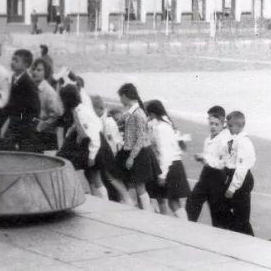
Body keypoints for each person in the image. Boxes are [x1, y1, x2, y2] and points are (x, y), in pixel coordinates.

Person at [57, 84, 115, 200]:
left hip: (95, 146)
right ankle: (97, 200)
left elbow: (93, 136)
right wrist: (70, 131)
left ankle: (105, 203)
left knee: (96, 176)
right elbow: (78, 125)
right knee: (93, 175)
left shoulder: (81, 112)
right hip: (93, 144)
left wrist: (92, 156)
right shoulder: (81, 108)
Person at [114, 83, 161, 211]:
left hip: (138, 153)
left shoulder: (138, 113)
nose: (120, 100)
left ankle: (145, 210)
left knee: (139, 186)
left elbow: (141, 138)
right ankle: (139, 205)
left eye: (120, 97)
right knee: (134, 183)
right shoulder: (133, 111)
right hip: (132, 150)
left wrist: (131, 157)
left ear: (124, 96)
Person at [145, 100, 191, 219]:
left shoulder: (161, 128)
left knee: (173, 202)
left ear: (153, 114)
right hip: (176, 164)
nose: (148, 118)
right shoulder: (167, 124)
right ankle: (185, 225)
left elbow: (165, 153)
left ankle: (186, 226)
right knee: (173, 201)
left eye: (149, 115)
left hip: (170, 166)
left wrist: (163, 175)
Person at [186, 105, 231, 228]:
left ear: (223, 123)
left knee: (216, 210)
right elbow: (209, 157)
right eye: (211, 123)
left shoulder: (224, 140)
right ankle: (188, 228)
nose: (213, 127)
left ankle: (217, 238)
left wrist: (205, 158)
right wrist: (202, 158)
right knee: (192, 201)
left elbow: (222, 163)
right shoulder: (208, 138)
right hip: (206, 174)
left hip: (217, 177)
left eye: (216, 124)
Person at [0, 49, 41, 152]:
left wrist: (29, 124)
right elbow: (12, 102)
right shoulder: (14, 78)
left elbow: (35, 108)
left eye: (16, 60)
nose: (12, 62)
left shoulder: (28, 83)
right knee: (6, 147)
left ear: (25, 65)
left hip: (26, 125)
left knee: (24, 153)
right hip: (16, 122)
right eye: (12, 59)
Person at [223, 110, 256, 236]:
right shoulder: (236, 139)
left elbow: (242, 167)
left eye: (230, 126)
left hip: (241, 179)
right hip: (236, 176)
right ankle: (236, 234)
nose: (228, 128)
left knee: (242, 216)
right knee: (228, 209)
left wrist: (232, 187)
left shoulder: (243, 142)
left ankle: (250, 240)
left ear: (240, 126)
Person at [31, 58, 63, 152]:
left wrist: (42, 126)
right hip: (33, 133)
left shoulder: (49, 92)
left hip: (46, 137)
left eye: (39, 70)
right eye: (33, 69)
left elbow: (58, 114)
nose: (35, 72)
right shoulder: (32, 89)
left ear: (46, 73)